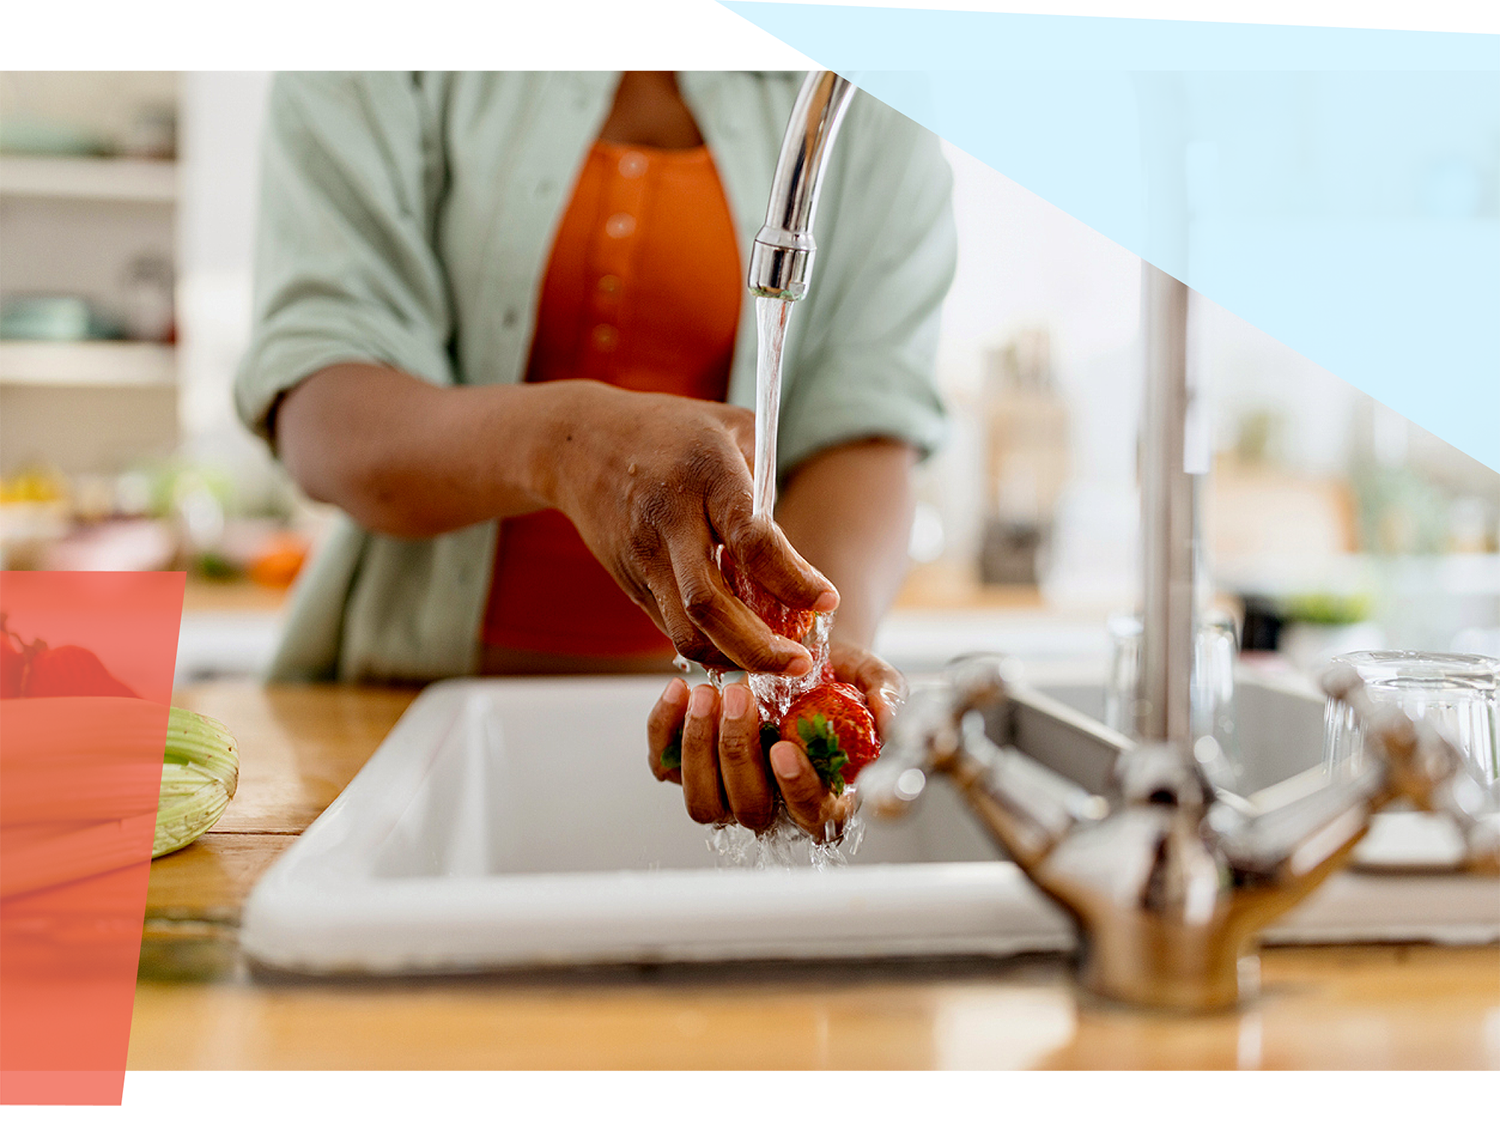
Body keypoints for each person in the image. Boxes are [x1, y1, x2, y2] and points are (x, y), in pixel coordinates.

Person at [235, 70, 956, 841]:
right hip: (396, 729)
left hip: (709, 737)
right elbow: (325, 409)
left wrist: (803, 667)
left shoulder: (866, 83)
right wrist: (568, 443)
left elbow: (864, 424)